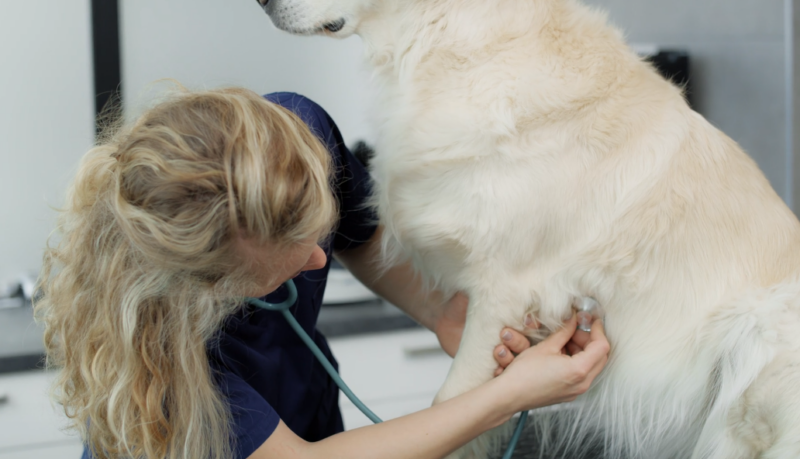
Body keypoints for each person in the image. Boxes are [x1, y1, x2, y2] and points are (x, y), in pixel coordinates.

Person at [34, 86, 609, 459]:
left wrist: (448, 315)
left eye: (318, 231)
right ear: (210, 287)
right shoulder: (157, 365)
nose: (318, 260)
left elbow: (361, 237)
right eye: (290, 256)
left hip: (314, 416)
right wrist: (508, 396)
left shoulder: (297, 138)